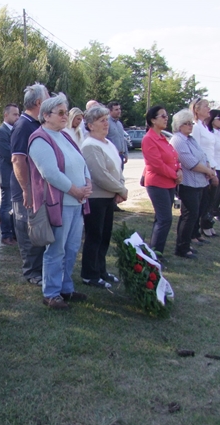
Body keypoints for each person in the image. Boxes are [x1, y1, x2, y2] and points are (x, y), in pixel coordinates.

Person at [28, 93, 92, 310]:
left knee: (72, 248)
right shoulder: (39, 139)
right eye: (61, 112)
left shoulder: (64, 136)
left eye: (66, 112)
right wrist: (76, 190)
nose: (66, 116)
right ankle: (51, 293)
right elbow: (51, 174)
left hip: (76, 203)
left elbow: (81, 162)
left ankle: (66, 288)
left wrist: (87, 183)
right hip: (59, 204)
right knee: (56, 250)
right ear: (46, 115)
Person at [80, 105, 127, 288]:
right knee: (95, 236)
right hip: (96, 198)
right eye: (102, 120)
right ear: (91, 125)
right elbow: (99, 175)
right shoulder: (89, 145)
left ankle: (101, 270)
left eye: (107, 120)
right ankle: (89, 274)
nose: (106, 124)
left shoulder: (108, 143)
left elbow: (117, 168)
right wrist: (121, 190)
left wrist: (120, 187)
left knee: (105, 235)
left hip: (108, 197)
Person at [11, 82, 50, 286]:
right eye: (48, 97)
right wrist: (26, 189)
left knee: (38, 228)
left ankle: (40, 268)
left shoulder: (35, 123)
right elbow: (18, 160)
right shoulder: (23, 125)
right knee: (28, 230)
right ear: (38, 102)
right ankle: (32, 272)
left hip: (37, 188)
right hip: (25, 190)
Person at [170, 110, 214, 259]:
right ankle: (182, 248)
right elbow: (190, 162)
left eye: (191, 123)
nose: (190, 126)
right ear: (179, 125)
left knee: (194, 214)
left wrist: (208, 167)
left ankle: (187, 243)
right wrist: (208, 170)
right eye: (186, 123)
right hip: (188, 184)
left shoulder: (190, 139)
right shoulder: (178, 140)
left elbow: (203, 155)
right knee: (189, 215)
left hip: (199, 182)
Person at [141, 105, 182, 259]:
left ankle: (155, 252)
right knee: (165, 219)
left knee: (161, 219)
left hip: (169, 183)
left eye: (167, 116)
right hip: (157, 184)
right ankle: (155, 255)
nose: (166, 119)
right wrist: (174, 175)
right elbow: (156, 164)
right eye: (162, 116)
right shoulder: (149, 139)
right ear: (153, 120)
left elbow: (174, 156)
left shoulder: (162, 137)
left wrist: (179, 170)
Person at [190, 98, 219, 239]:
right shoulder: (195, 127)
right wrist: (207, 169)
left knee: (206, 202)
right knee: (199, 204)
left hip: (210, 166)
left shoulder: (204, 126)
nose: (209, 109)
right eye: (206, 106)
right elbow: (197, 150)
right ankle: (194, 233)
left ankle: (199, 230)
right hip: (202, 169)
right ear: (197, 109)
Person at [0, 103, 19, 246]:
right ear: (6, 115)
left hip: (18, 175)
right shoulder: (0, 133)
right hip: (7, 175)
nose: (17, 117)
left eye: (18, 114)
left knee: (16, 207)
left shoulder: (17, 131)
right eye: (14, 114)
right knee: (7, 207)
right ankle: (6, 235)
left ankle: (15, 234)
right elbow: (9, 154)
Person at [206, 109, 220, 218]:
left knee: (216, 197)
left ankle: (210, 218)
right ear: (212, 119)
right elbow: (210, 153)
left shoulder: (219, 133)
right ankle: (206, 220)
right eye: (219, 119)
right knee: (210, 198)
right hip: (212, 168)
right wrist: (213, 172)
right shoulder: (209, 133)